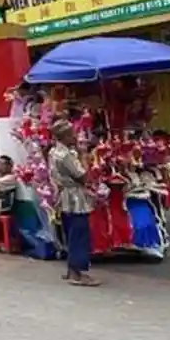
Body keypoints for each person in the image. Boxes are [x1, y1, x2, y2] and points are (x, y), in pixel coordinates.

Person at [49, 119, 99, 287]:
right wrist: (84, 156)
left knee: (71, 234)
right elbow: (83, 176)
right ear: (65, 136)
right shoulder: (67, 155)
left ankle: (72, 269)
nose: (76, 136)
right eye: (72, 134)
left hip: (64, 197)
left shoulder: (53, 152)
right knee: (79, 235)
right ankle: (77, 272)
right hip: (75, 198)